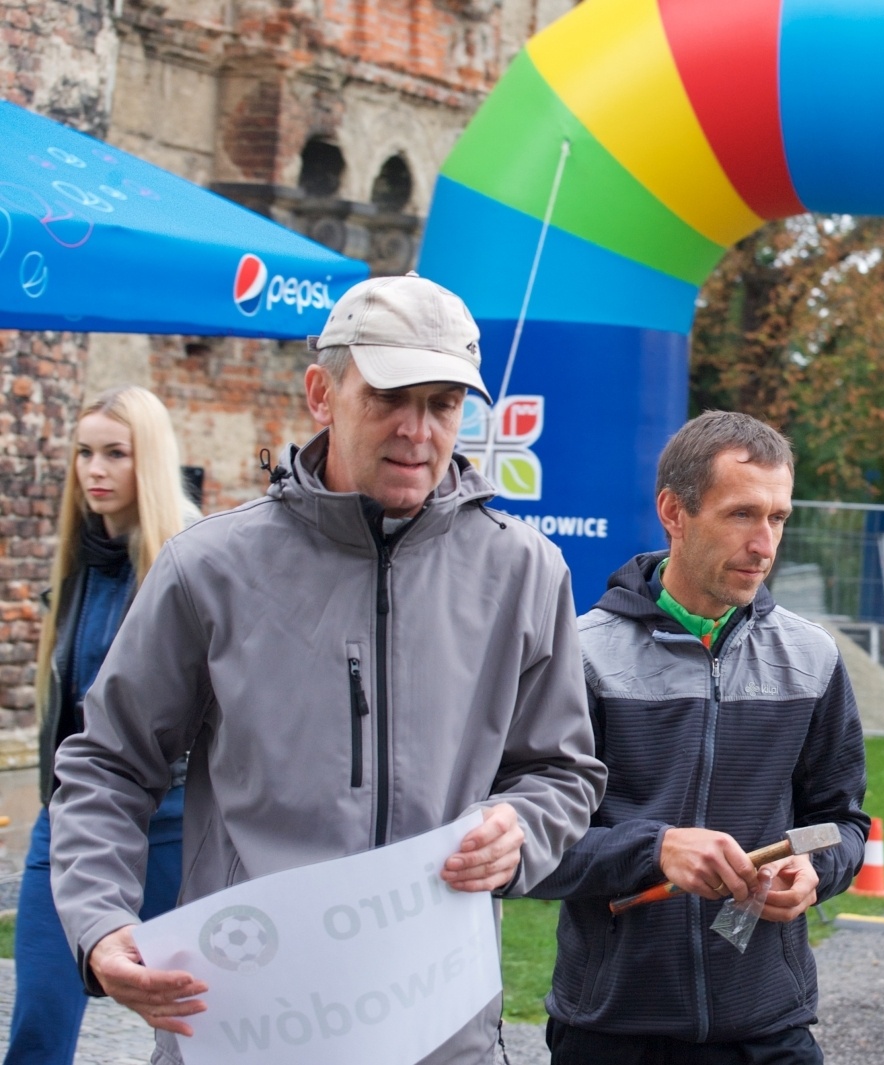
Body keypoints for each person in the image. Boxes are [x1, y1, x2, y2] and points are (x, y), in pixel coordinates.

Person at [48, 273, 605, 1064]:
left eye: (444, 403)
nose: (419, 429)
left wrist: (522, 828)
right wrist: (100, 923)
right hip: (245, 1027)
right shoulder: (210, 567)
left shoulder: (525, 570)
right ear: (322, 392)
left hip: (441, 1035)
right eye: (391, 396)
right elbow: (108, 763)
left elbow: (563, 771)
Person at [532, 410, 869, 1065]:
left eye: (778, 517)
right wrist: (657, 850)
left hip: (769, 1029)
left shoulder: (813, 657)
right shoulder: (580, 656)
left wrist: (812, 870)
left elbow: (840, 823)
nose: (764, 543)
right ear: (673, 511)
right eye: (742, 513)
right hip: (614, 1031)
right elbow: (535, 851)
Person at [7, 386, 198, 1065]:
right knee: (36, 1026)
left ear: (148, 460)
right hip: (68, 825)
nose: (94, 469)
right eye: (85, 452)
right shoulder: (77, 566)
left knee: (197, 1033)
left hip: (175, 828)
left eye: (115, 453)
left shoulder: (191, 569)